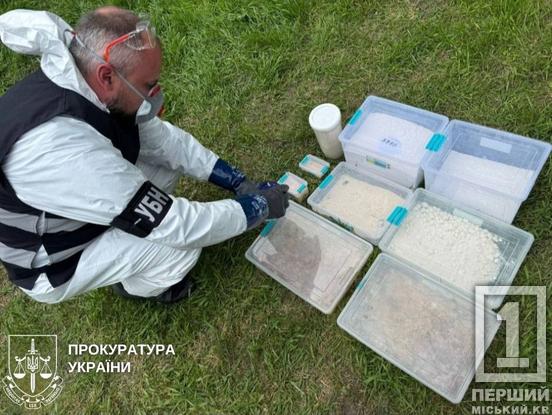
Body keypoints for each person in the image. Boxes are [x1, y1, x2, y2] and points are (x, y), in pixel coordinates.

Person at [0, 7, 290, 304]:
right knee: (180, 248)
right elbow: (179, 226)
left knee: (163, 167)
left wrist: (235, 180)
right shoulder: (63, 150)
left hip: (78, 207)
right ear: (107, 76)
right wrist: (257, 207)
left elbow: (165, 143)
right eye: (148, 85)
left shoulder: (83, 77)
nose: (155, 93)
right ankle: (141, 286)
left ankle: (129, 233)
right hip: (58, 259)